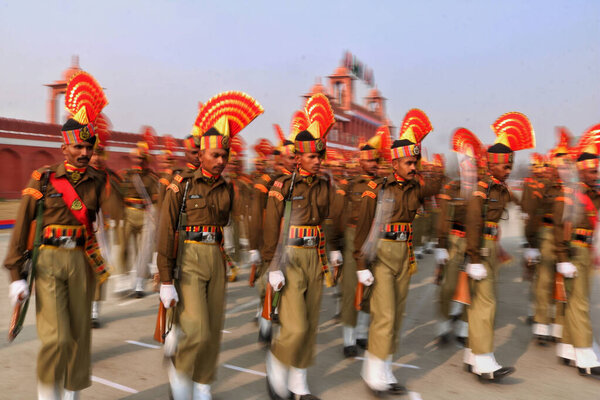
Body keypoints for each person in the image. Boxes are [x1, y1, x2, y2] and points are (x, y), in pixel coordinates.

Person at [5, 71, 110, 399]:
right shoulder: (43, 179)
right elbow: (22, 225)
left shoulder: (97, 180)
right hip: (48, 262)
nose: (83, 152)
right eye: (78, 146)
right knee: (57, 339)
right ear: (64, 147)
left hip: (80, 261)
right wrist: (15, 275)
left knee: (79, 339)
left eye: (88, 146)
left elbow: (99, 226)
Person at [156, 91, 263, 399]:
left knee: (213, 328)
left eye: (224, 156)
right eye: (215, 155)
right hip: (187, 257)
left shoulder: (227, 188)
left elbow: (225, 224)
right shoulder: (182, 185)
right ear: (200, 154)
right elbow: (165, 231)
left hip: (215, 257)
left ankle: (203, 386)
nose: (221, 161)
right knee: (196, 328)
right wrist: (165, 279)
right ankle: (180, 380)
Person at [354, 109, 442, 395]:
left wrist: (434, 165)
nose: (413, 166)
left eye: (415, 161)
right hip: (381, 253)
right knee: (385, 314)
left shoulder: (415, 187)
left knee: (398, 313)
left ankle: (383, 367)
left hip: (405, 252)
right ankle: (374, 372)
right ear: (395, 163)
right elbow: (363, 227)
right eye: (408, 162)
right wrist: (361, 264)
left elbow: (437, 185)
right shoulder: (376, 188)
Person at [263, 94, 342, 400]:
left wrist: (333, 249)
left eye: (320, 156)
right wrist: (273, 266)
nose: (318, 160)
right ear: (298, 157)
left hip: (316, 256)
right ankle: (277, 363)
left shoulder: (325, 184)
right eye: (312, 157)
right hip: (291, 258)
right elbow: (271, 228)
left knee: (309, 325)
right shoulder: (283, 186)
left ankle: (299, 384)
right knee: (294, 326)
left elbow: (329, 218)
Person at [463, 112, 535, 381]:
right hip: (481, 248)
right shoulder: (482, 190)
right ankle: (484, 362)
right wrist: (474, 258)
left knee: (482, 302)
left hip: (491, 246)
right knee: (485, 303)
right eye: (505, 167)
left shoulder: (500, 188)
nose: (508, 171)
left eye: (510, 166)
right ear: (492, 165)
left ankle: (472, 355)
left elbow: (523, 204)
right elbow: (472, 223)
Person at [338, 126, 389, 358]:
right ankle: (348, 338)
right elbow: (339, 215)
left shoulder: (385, 185)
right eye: (370, 161)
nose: (375, 164)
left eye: (377, 160)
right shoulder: (350, 185)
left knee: (371, 288)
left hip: (375, 238)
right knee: (351, 289)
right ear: (361, 162)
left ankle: (361, 333)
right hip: (352, 238)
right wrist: (335, 247)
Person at [553, 125, 600, 376]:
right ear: (581, 170)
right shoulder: (569, 193)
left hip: (585, 251)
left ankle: (569, 347)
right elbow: (559, 228)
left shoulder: (593, 193)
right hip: (572, 252)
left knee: (577, 300)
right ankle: (585, 352)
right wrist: (562, 258)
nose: (596, 174)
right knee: (579, 302)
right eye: (592, 171)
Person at [435, 128, 483, 345]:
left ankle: (463, 328)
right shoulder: (451, 188)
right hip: (454, 240)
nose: (469, 171)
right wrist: (441, 245)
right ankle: (444, 325)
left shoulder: (482, 191)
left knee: (472, 288)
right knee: (448, 286)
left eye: (473, 168)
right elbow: (443, 218)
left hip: (476, 242)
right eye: (466, 167)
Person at [250, 125, 295, 345]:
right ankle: (265, 324)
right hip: (271, 242)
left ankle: (272, 318)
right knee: (266, 286)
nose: (291, 161)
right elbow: (259, 216)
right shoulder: (267, 183)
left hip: (292, 242)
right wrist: (255, 246)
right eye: (287, 157)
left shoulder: (299, 182)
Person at [524, 130, 571, 343]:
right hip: (546, 235)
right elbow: (533, 215)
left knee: (563, 282)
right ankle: (542, 324)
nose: (561, 169)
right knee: (543, 281)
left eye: (565, 165)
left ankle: (559, 324)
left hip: (568, 238)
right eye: (558, 165)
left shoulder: (574, 188)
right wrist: (532, 243)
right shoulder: (541, 187)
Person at [88, 116, 124, 327]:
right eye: (93, 152)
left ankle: (94, 310)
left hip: (99, 230)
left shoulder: (110, 178)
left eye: (100, 153)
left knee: (98, 268)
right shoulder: (74, 175)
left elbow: (117, 205)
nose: (96, 158)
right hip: (77, 229)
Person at [117, 140, 159, 297]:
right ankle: (123, 279)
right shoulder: (125, 175)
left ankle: (140, 283)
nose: (138, 160)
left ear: (145, 159)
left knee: (144, 250)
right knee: (123, 248)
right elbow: (117, 195)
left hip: (144, 215)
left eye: (141, 158)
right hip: (128, 214)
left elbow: (156, 199)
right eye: (136, 158)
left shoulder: (151, 177)